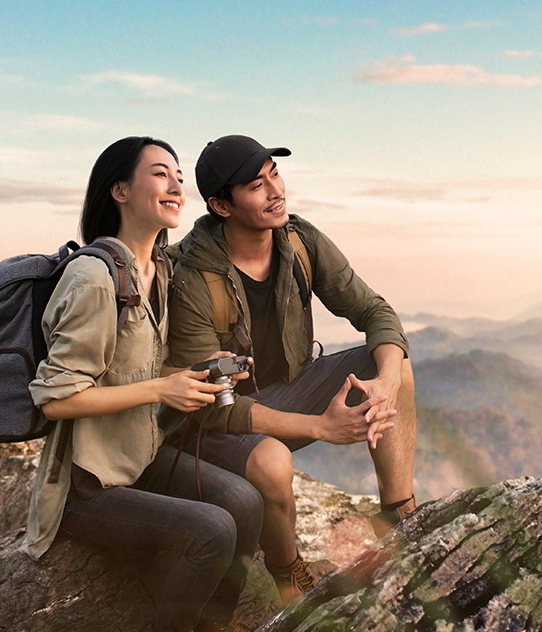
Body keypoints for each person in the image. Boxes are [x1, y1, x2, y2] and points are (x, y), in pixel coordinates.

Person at [22, 136, 263, 632]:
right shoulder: (93, 278)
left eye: (179, 175)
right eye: (161, 174)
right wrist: (161, 388)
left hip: (140, 457)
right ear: (120, 190)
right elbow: (56, 399)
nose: (177, 185)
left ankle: (211, 626)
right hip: (90, 483)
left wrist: (203, 372)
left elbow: (140, 370)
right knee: (212, 528)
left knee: (244, 501)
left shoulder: (157, 268)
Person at [165, 134, 417, 603]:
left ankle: (400, 516)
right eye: (256, 185)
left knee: (393, 365)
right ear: (221, 206)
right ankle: (288, 577)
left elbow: (376, 313)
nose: (275, 190)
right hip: (214, 423)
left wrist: (384, 382)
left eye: (274, 174)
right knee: (272, 462)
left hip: (287, 389)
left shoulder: (299, 241)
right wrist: (320, 427)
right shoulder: (192, 277)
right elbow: (211, 405)